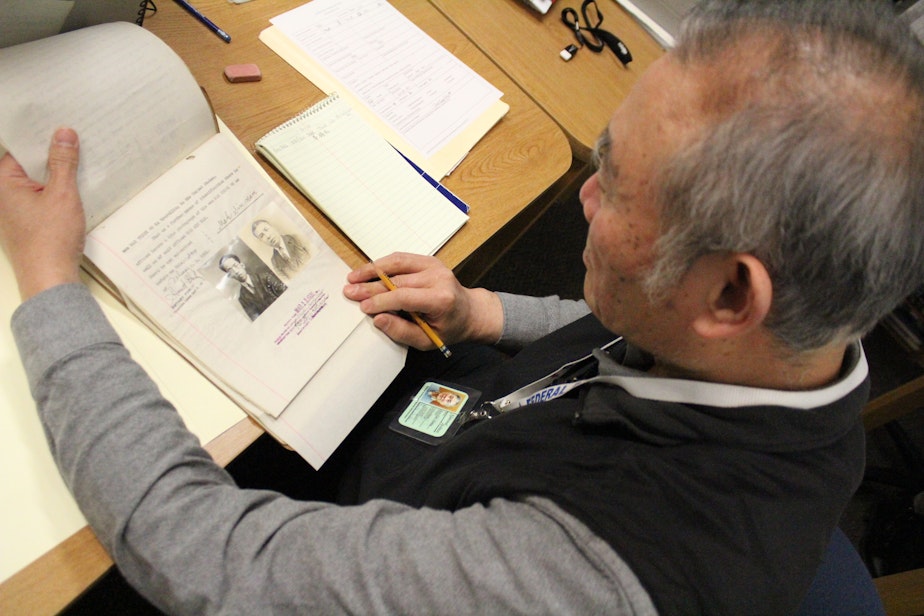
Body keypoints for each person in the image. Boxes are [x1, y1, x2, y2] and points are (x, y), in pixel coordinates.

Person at [1, 1, 922, 614]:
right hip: (437, 440)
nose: (584, 200)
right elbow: (611, 327)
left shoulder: (584, 579)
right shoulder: (800, 354)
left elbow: (201, 555)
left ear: (730, 292)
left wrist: (48, 286)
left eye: (621, 186)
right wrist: (483, 311)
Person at [217, 252, 287, 321]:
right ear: (230, 276)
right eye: (230, 270)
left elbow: (287, 294)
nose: (236, 271)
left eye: (235, 265)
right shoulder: (242, 299)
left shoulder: (265, 277)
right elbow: (257, 320)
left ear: (242, 265)